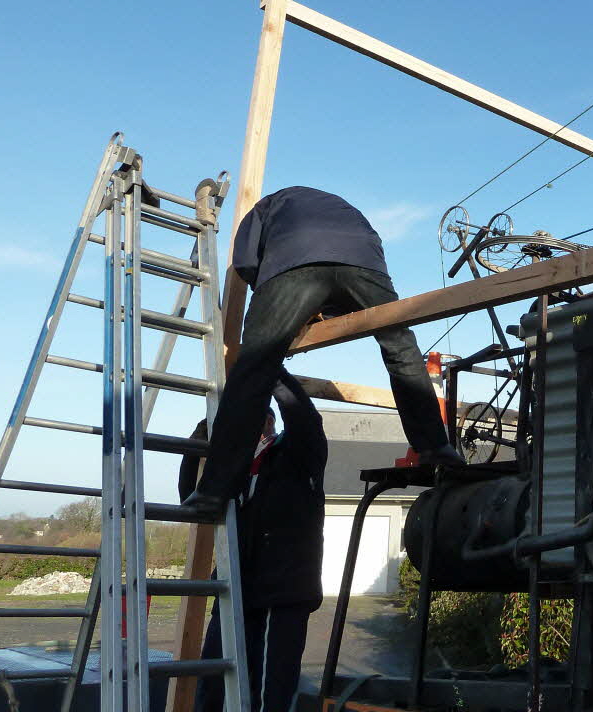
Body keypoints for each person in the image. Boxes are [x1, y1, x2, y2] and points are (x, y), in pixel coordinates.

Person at [183, 186, 461, 518]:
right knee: (400, 348)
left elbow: (246, 262)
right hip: (365, 262)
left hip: (294, 259)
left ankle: (215, 491)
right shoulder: (343, 208)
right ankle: (436, 446)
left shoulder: (265, 207)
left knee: (254, 368)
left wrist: (276, 313)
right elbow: (359, 259)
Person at [178, 371, 327, 712]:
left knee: (269, 695)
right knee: (213, 687)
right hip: (234, 588)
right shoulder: (234, 469)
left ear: (267, 421)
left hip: (281, 592)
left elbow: (304, 417)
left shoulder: (297, 453)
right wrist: (203, 434)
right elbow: (190, 495)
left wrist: (268, 368)